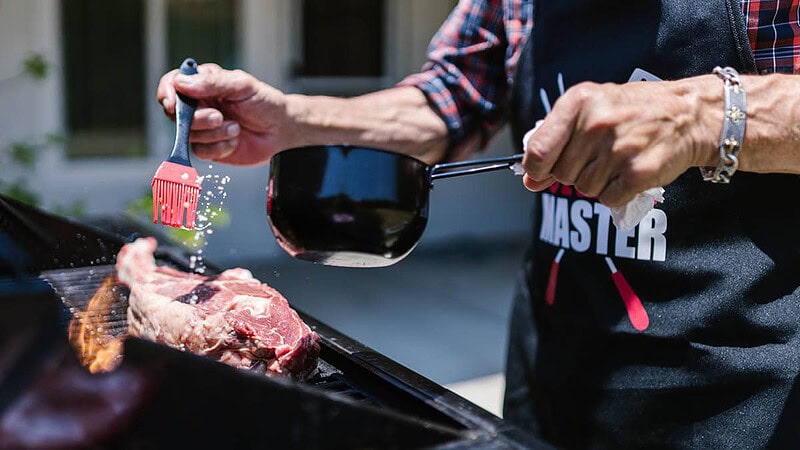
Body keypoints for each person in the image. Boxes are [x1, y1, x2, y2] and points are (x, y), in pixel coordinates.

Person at [157, 0, 800, 447]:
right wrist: (292, 120)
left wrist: (707, 113)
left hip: (744, 392)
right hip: (551, 367)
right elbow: (451, 98)